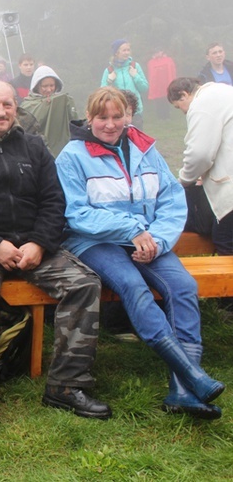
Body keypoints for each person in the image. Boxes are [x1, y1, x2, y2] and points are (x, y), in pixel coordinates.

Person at [0, 80, 110, 442]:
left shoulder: (34, 146)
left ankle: (66, 385)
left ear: (16, 108)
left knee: (84, 284)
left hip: (33, 247)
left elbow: (53, 200)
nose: (1, 112)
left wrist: (40, 244)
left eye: (8, 105)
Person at [56, 86, 225, 420]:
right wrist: (132, 230)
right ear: (89, 119)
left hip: (150, 242)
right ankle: (191, 373)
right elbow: (77, 214)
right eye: (102, 117)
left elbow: (172, 201)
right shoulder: (71, 156)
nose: (110, 123)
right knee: (133, 287)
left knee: (183, 288)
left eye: (117, 116)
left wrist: (157, 240)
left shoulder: (146, 149)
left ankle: (181, 389)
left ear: (128, 116)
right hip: (95, 242)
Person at [167, 77, 233, 256]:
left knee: (226, 239)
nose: (182, 111)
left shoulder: (202, 104)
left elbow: (200, 154)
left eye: (177, 106)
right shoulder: (225, 91)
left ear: (183, 95)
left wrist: (184, 180)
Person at [19, 65, 79, 155]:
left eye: (52, 85)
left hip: (64, 151)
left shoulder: (63, 102)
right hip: (39, 151)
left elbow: (74, 123)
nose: (49, 89)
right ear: (36, 86)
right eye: (45, 86)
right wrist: (46, 105)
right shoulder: (28, 104)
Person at [101, 39, 148, 129]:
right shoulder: (109, 70)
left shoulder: (135, 66)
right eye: (124, 50)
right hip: (117, 112)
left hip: (135, 111)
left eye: (128, 50)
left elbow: (144, 88)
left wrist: (135, 76)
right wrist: (109, 81)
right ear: (116, 53)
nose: (127, 53)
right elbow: (102, 94)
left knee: (136, 140)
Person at [146, 49, 176, 120]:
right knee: (158, 101)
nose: (158, 53)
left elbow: (171, 71)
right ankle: (160, 116)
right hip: (157, 86)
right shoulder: (152, 62)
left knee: (165, 100)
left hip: (165, 84)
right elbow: (151, 74)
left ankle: (166, 115)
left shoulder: (168, 60)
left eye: (160, 51)